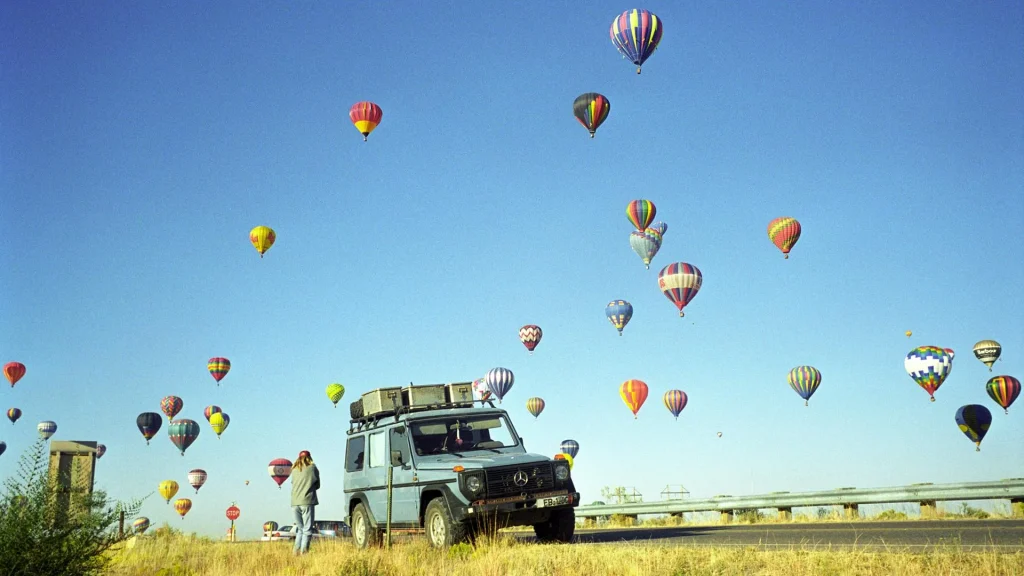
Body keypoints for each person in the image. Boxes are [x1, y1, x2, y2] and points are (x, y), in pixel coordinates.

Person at [290, 450, 320, 555]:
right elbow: (317, 485)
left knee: (300, 529)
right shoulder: (312, 468)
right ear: (309, 457)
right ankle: (304, 553)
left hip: (294, 502)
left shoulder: (294, 470)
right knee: (307, 529)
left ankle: (295, 552)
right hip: (307, 501)